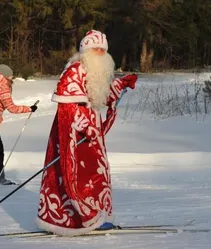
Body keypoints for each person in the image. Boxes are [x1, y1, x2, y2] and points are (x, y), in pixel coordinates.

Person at [36, 30, 138, 236]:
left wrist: (121, 84)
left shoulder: (94, 72)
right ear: (86, 51)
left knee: (95, 173)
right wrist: (83, 125)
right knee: (76, 176)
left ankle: (98, 213)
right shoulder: (74, 70)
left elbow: (101, 94)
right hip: (74, 136)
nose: (100, 53)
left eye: (103, 50)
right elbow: (67, 107)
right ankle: (80, 218)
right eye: (96, 49)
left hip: (91, 135)